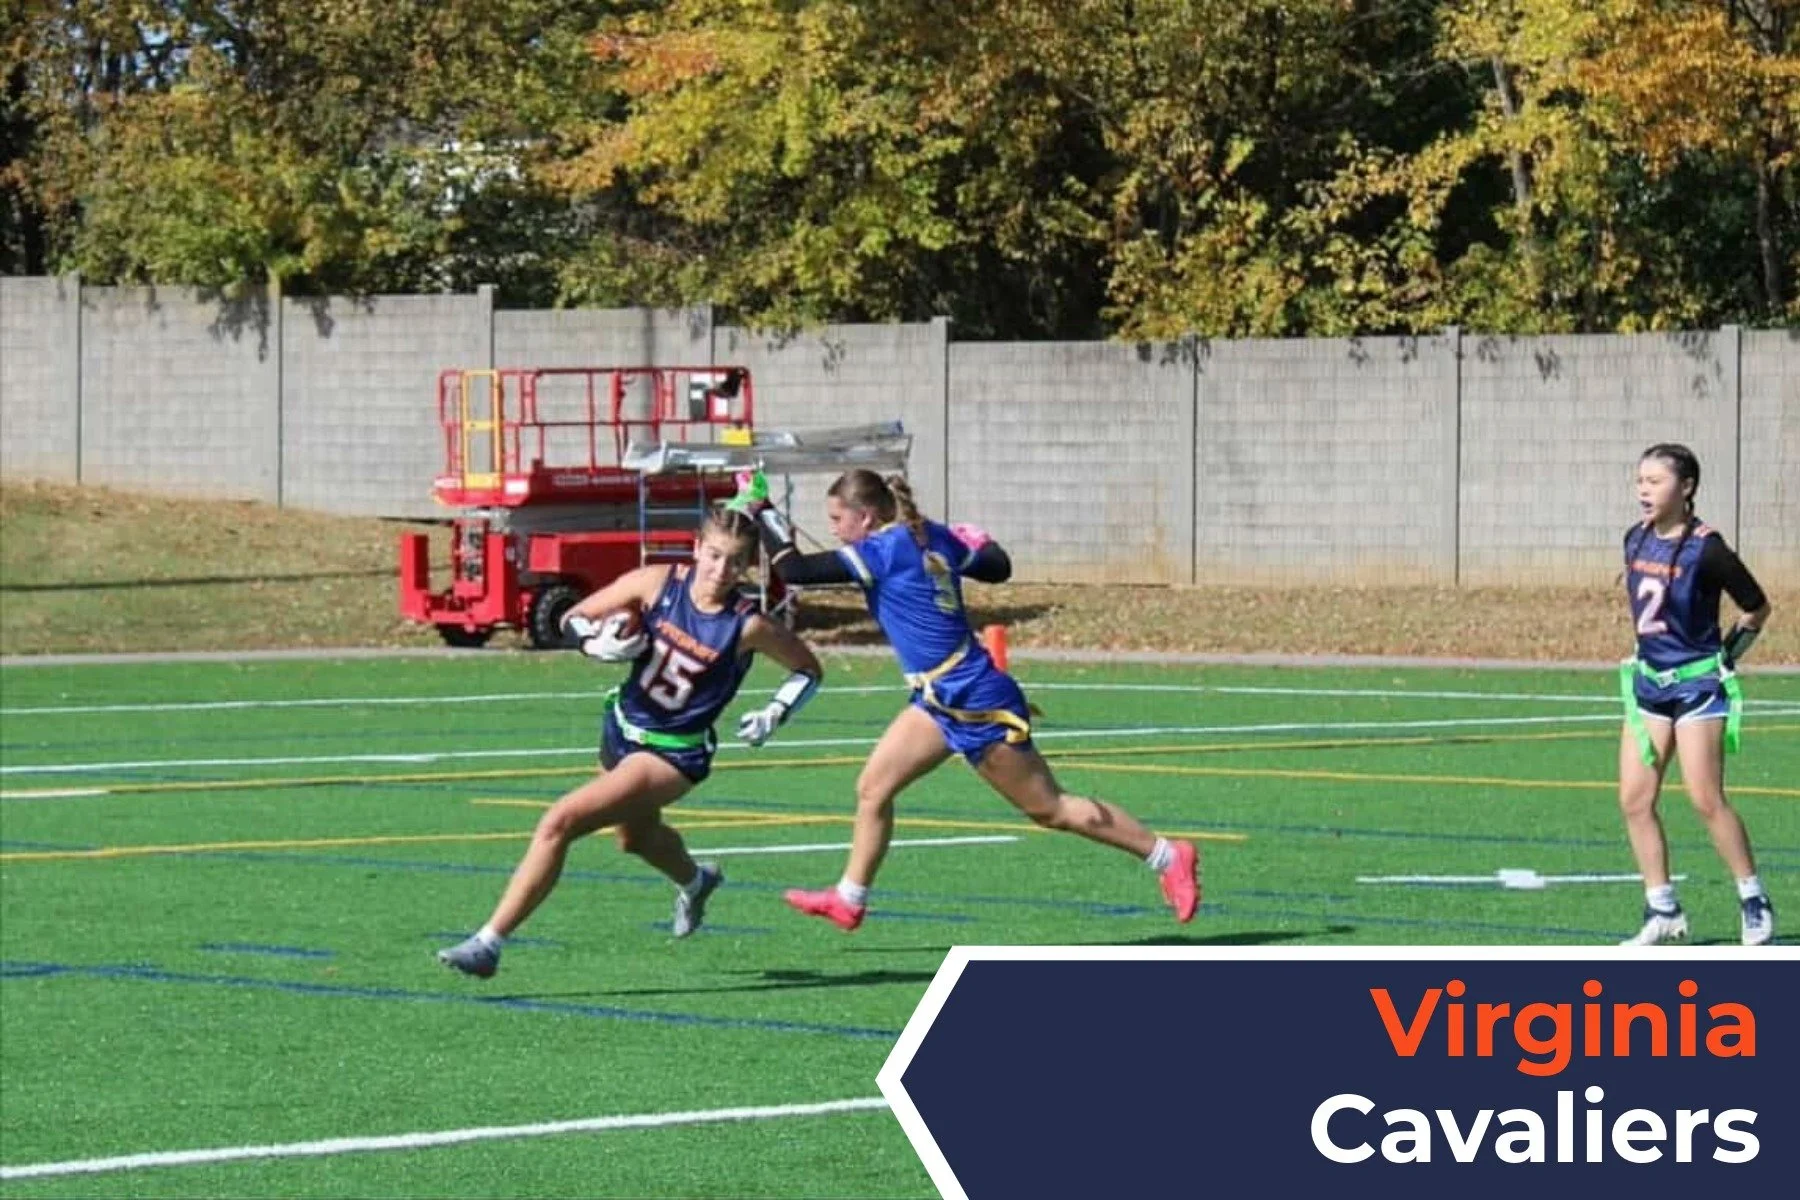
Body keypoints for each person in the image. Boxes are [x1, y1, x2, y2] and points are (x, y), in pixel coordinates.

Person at [739, 468, 1200, 931]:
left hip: (974, 698)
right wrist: (980, 544)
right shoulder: (927, 536)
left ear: (867, 516)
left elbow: (794, 570)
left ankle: (1166, 855)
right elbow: (998, 568)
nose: (835, 529)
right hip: (939, 699)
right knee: (873, 788)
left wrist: (761, 511)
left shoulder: (884, 549)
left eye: (838, 519)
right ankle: (849, 897)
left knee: (1051, 808)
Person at [437, 506, 825, 977]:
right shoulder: (657, 582)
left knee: (559, 821)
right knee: (635, 839)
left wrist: (776, 711)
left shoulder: (748, 625)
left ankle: (489, 943)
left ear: (748, 567)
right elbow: (575, 617)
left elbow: (808, 669)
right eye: (715, 555)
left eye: (736, 561)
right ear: (697, 547)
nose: (721, 570)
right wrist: (594, 642)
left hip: (672, 752)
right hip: (621, 726)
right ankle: (696, 880)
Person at [1616, 443, 1774, 946]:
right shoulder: (1634, 539)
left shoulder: (1710, 549)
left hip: (1697, 687)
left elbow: (1756, 607)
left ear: (1686, 489)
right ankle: (1662, 909)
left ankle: (1753, 898)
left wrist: (1729, 654)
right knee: (1635, 800)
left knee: (1706, 798)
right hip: (1648, 685)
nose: (1644, 489)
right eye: (1640, 479)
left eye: (1655, 481)